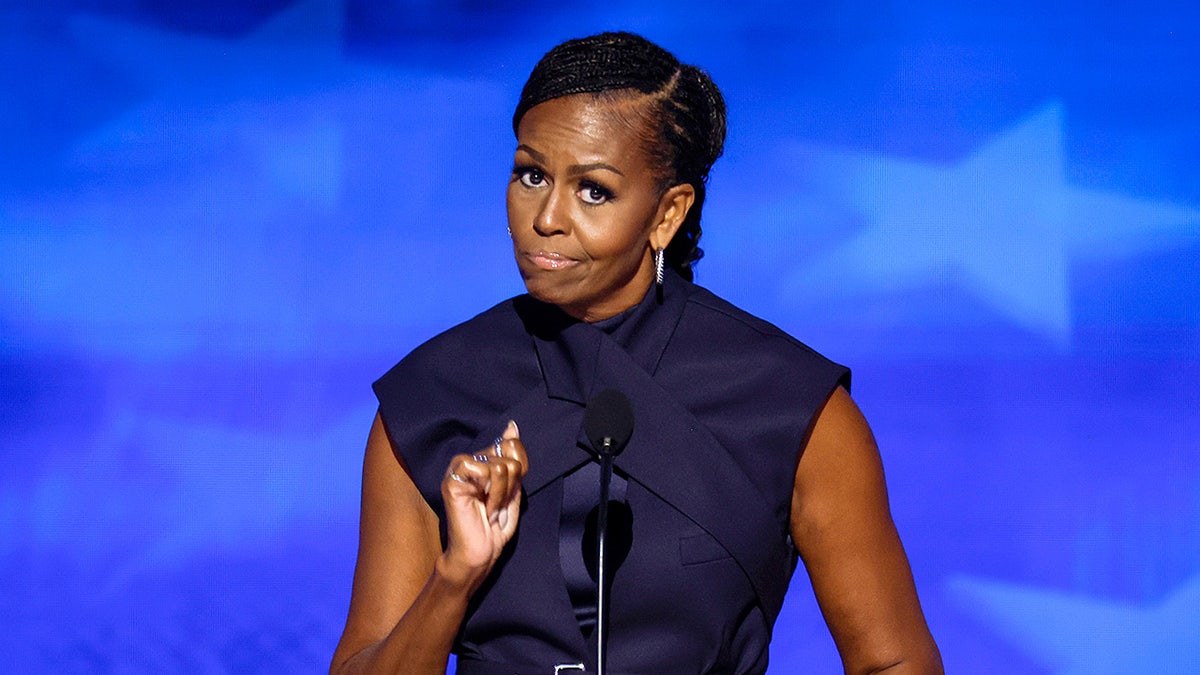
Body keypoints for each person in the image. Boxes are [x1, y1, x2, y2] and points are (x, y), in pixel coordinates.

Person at [331, 32, 941, 675]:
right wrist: (455, 579)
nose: (546, 218)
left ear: (667, 214)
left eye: (593, 190)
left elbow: (895, 662)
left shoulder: (793, 406)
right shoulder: (431, 397)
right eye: (531, 175)